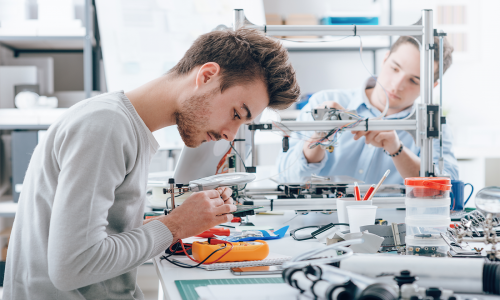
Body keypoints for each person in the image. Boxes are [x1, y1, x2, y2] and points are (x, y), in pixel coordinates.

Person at [3, 28, 300, 299]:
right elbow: (73, 266)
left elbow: (98, 237)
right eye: (237, 113)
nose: (229, 134)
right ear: (207, 76)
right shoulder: (106, 126)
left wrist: (180, 223)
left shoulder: (126, 127)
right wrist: (175, 225)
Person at [277, 36, 458, 184]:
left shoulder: (434, 126)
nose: (397, 85)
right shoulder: (324, 102)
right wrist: (318, 138)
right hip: (316, 225)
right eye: (395, 68)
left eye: (414, 81)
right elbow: (286, 178)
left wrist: (397, 150)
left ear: (432, 86)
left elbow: (446, 189)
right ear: (385, 59)